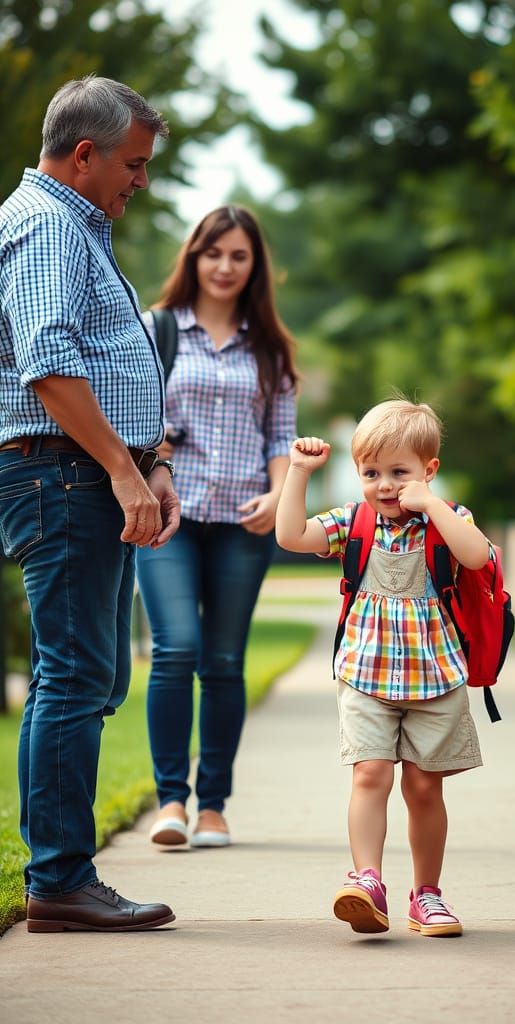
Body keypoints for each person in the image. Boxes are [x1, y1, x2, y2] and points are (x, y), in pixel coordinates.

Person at [0, 76, 180, 932]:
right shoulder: (45, 225)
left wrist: (151, 462)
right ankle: (61, 880)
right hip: (63, 474)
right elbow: (47, 361)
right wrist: (121, 469)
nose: (140, 180)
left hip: (84, 471)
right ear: (84, 155)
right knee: (74, 676)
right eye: (133, 164)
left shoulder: (72, 225)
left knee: (90, 677)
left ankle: (61, 875)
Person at [275, 399, 488, 937]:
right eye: (371, 473)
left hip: (436, 680)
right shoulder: (354, 521)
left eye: (399, 472)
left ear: (428, 470)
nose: (385, 485)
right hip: (365, 676)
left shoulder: (448, 519)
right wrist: (298, 472)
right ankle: (367, 881)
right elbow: (291, 535)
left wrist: (431, 503)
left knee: (424, 788)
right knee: (370, 774)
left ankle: (427, 895)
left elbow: (477, 556)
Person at [137, 205, 298, 849]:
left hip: (242, 521)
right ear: (193, 257)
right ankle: (170, 802)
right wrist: (156, 449)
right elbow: (130, 413)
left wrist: (279, 494)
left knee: (225, 661)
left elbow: (280, 436)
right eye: (213, 253)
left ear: (255, 265)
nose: (225, 266)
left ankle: (213, 807)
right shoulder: (155, 329)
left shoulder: (270, 347)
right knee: (176, 649)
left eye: (238, 255)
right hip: (168, 516)